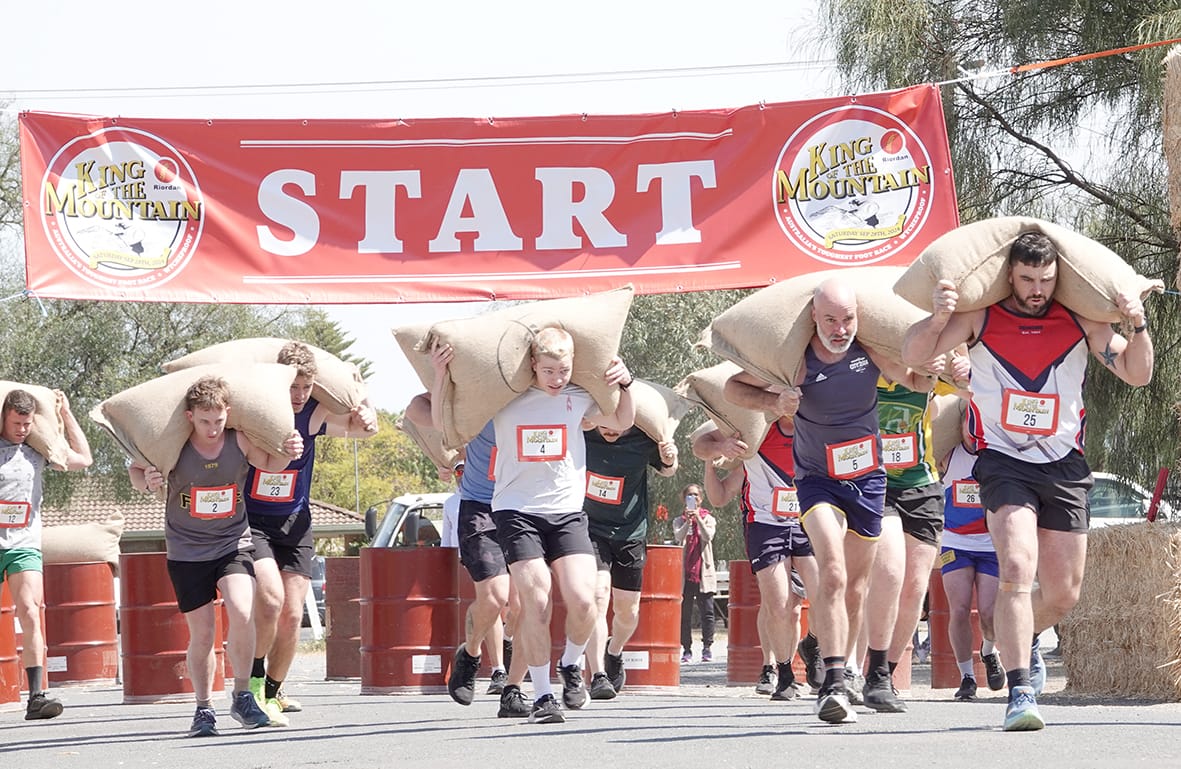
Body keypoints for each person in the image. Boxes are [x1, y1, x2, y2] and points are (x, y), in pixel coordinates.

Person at [902, 231, 1153, 731]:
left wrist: (1137, 323)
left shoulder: (1082, 321)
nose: (1037, 288)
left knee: (1063, 594)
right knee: (1016, 566)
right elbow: (912, 353)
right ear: (1009, 276)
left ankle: (1013, 635)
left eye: (1045, 279)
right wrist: (937, 316)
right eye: (1026, 279)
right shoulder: (982, 318)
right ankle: (1019, 691)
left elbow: (1137, 373)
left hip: (1063, 464)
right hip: (1003, 462)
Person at [724, 277, 934, 725]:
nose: (840, 329)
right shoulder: (795, 361)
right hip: (817, 481)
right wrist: (774, 399)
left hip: (868, 480)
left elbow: (913, 377)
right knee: (833, 572)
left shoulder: (869, 351)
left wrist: (940, 366)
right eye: (831, 320)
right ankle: (833, 684)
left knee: (855, 587)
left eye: (848, 319)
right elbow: (733, 390)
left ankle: (844, 667)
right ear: (814, 318)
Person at [129, 375, 304, 737]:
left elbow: (272, 465)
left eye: (219, 420)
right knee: (203, 634)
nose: (212, 429)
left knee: (242, 611)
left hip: (232, 543)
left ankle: (242, 695)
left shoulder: (238, 440)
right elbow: (136, 471)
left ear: (228, 414)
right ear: (190, 416)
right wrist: (147, 480)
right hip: (187, 550)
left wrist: (290, 449)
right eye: (205, 421)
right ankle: (203, 708)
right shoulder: (173, 445)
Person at [490, 327, 634, 724]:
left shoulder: (578, 398)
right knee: (536, 600)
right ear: (532, 365)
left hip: (567, 512)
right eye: (549, 370)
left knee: (586, 600)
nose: (557, 378)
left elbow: (622, 419)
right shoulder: (506, 399)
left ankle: (572, 664)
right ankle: (542, 696)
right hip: (517, 511)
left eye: (564, 370)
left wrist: (627, 382)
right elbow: (445, 414)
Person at [246, 342, 378, 725]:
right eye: (293, 388)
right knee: (270, 599)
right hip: (253, 521)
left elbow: (363, 431)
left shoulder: (315, 414)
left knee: (291, 614)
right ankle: (253, 683)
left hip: (296, 522)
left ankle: (274, 689)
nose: (300, 396)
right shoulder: (256, 414)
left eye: (306, 387)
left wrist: (367, 409)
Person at [407, 350, 526, 719]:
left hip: (524, 508)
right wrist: (441, 374)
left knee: (524, 606)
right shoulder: (473, 404)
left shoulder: (535, 398)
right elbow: (416, 408)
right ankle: (471, 652)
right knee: (493, 598)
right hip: (480, 508)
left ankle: (514, 689)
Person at [857, 350, 965, 713]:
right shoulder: (865, 369)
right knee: (887, 573)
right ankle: (859, 669)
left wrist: (956, 360)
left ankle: (881, 676)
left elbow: (970, 384)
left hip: (922, 484)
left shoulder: (928, 369)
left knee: (915, 589)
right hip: (874, 482)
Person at [693, 416, 820, 702]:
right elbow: (720, 495)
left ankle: (812, 644)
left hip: (807, 524)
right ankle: (783, 673)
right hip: (765, 527)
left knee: (823, 594)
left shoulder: (814, 428)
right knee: (779, 605)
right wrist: (713, 458)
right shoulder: (756, 437)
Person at [0, 389, 92, 720]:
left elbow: (85, 459)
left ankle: (36, 696)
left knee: (29, 609)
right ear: (4, 418)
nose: (22, 429)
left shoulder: (38, 451)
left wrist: (66, 414)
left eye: (27, 423)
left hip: (24, 543)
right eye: (16, 423)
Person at [582, 419, 678, 699]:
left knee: (628, 611)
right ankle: (598, 674)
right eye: (604, 423)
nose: (610, 429)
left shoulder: (643, 439)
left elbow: (668, 471)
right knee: (598, 597)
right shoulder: (582, 435)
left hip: (630, 533)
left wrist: (670, 458)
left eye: (618, 424)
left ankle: (614, 650)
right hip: (589, 528)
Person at [940, 423, 1006, 701]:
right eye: (968, 424)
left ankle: (989, 651)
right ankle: (967, 677)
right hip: (955, 541)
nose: (973, 430)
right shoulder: (948, 456)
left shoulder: (995, 455)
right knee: (960, 609)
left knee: (989, 613)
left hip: (990, 542)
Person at [673, 484, 717, 664]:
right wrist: (688, 522)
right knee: (685, 613)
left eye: (696, 495)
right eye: (689, 495)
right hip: (685, 574)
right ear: (685, 499)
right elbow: (678, 537)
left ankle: (707, 647)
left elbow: (708, 537)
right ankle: (687, 648)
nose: (693, 498)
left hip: (703, 572)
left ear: (701, 498)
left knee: (707, 612)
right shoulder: (679, 520)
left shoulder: (709, 519)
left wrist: (698, 519)